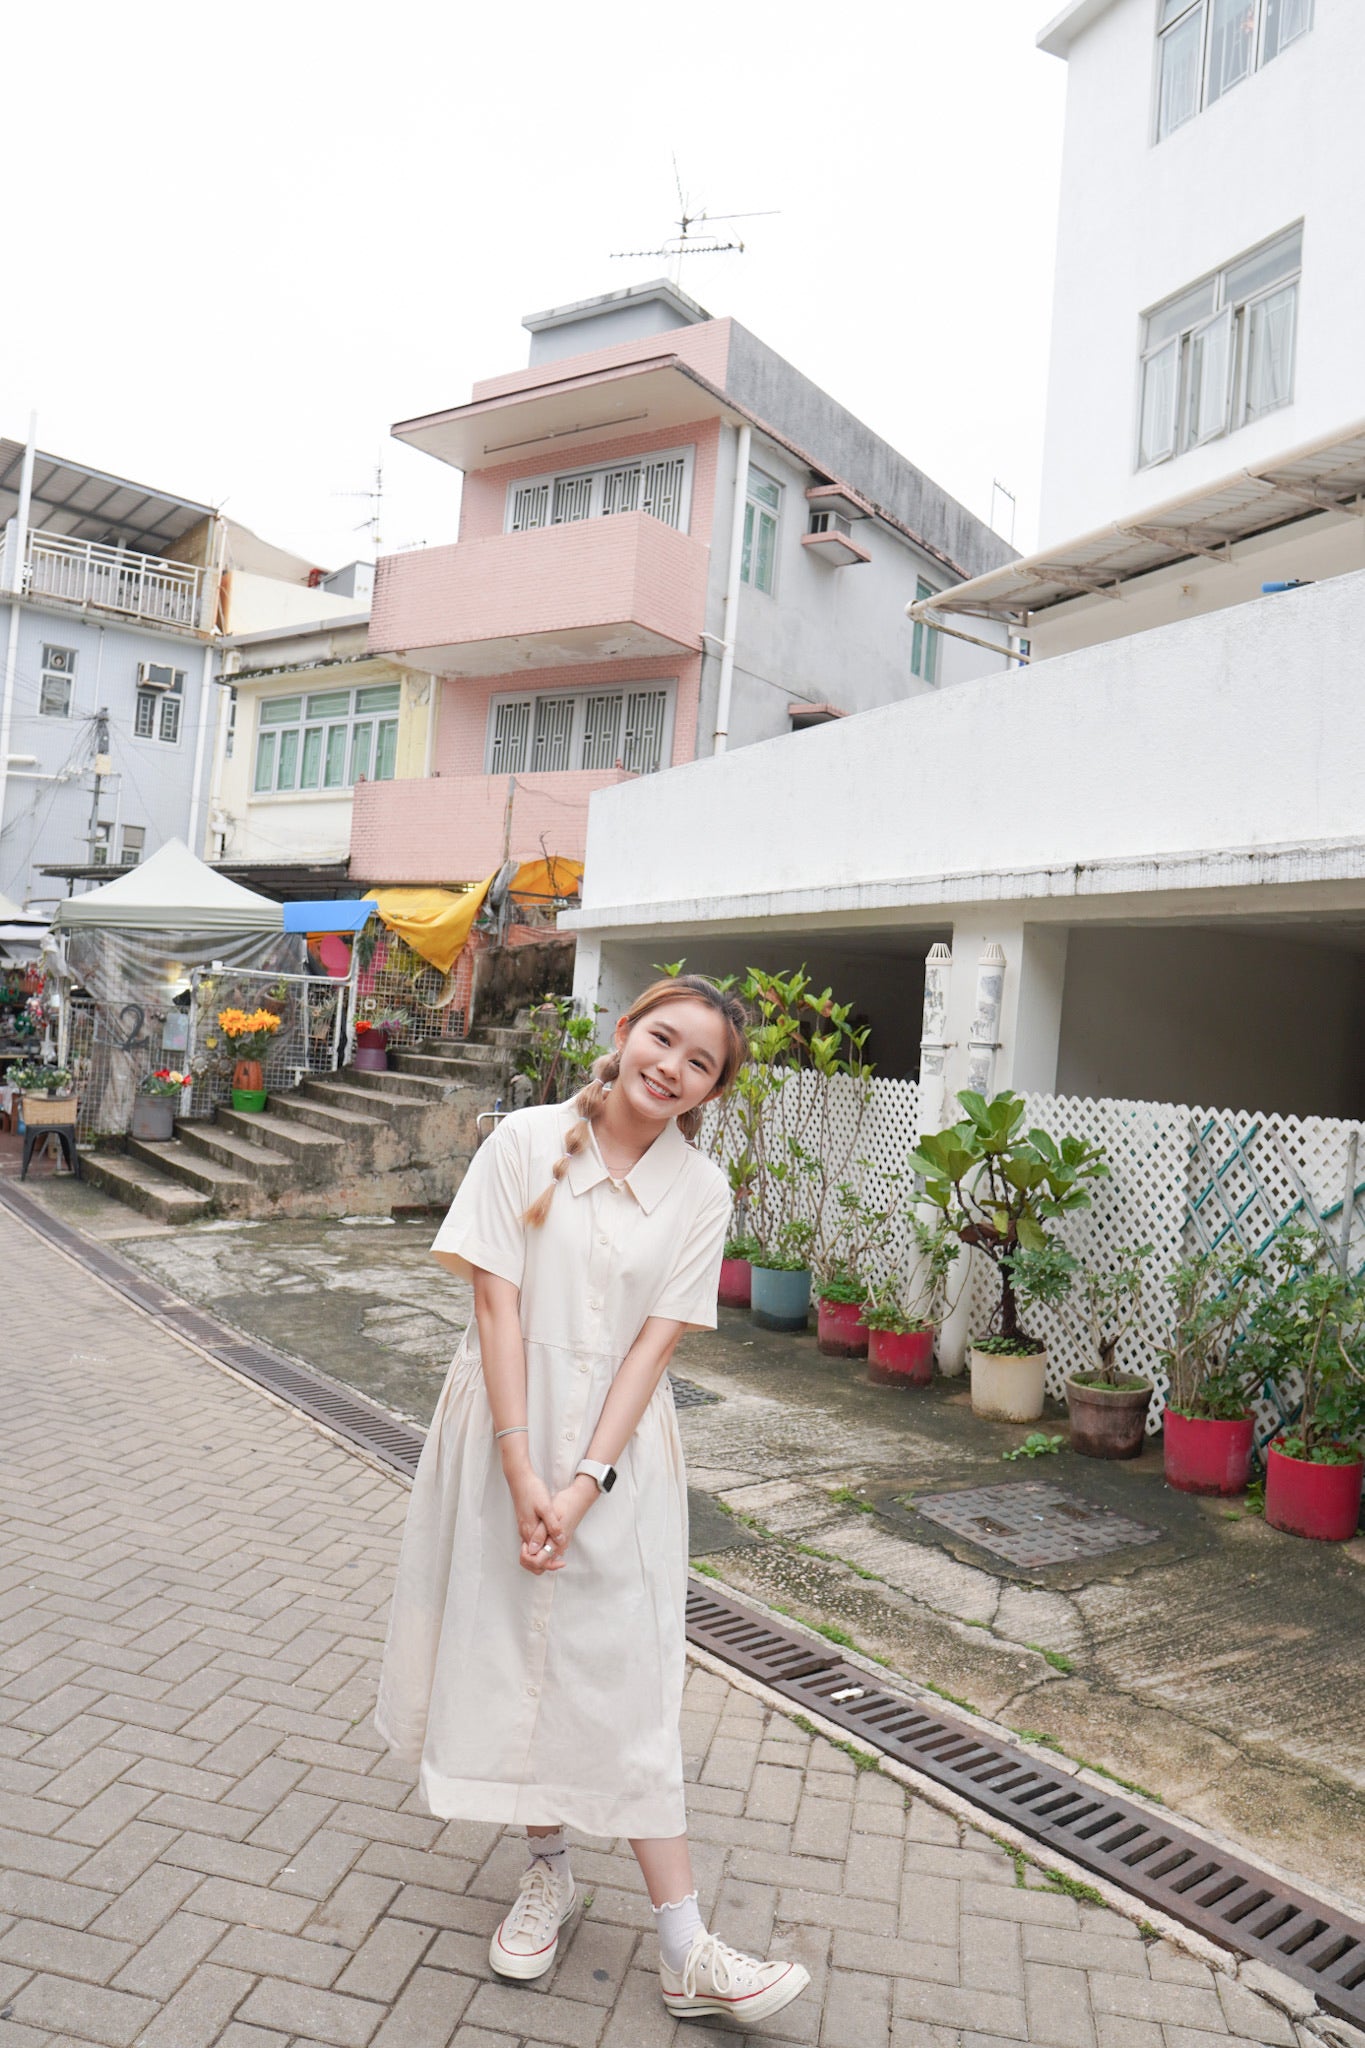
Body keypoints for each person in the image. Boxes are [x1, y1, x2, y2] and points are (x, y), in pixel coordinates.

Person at [375, 975, 810, 2028]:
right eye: (663, 1038)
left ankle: (684, 1946)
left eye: (700, 1061)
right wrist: (526, 1472)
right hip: (504, 1427)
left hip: (621, 1458)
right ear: (625, 1033)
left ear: (713, 1086)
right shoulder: (525, 1139)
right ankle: (549, 1874)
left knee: (627, 1673)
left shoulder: (702, 1192)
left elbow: (653, 1350)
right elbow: (495, 1299)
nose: (673, 1065)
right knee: (517, 1646)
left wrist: (582, 1484)